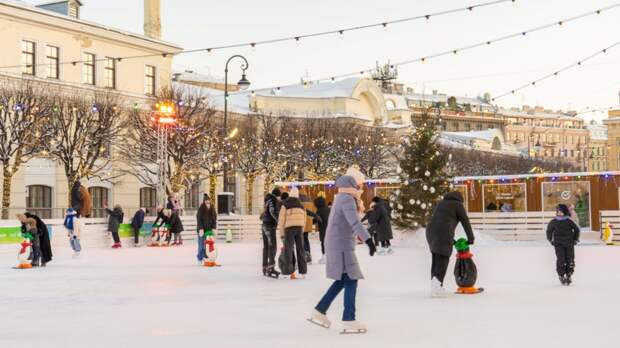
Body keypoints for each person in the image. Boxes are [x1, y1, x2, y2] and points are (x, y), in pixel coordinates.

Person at [310, 168, 376, 333]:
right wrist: (368, 239)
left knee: (343, 279)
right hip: (340, 245)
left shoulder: (343, 197)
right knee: (352, 277)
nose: (361, 187)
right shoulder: (347, 198)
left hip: (339, 243)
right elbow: (354, 222)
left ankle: (319, 310)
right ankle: (349, 318)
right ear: (353, 182)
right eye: (360, 183)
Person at [425, 191, 475, 297]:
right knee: (443, 257)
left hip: (430, 231)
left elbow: (441, 221)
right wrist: (470, 238)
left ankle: (436, 286)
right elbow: (465, 221)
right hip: (443, 231)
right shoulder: (458, 204)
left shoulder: (441, 203)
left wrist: (452, 241)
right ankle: (437, 287)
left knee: (436, 257)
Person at [277, 187, 308, 279]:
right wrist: (301, 230)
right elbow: (304, 220)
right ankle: (303, 272)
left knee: (288, 250)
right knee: (301, 249)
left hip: (289, 229)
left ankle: (288, 271)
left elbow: (281, 220)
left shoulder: (285, 205)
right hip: (299, 229)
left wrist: (282, 234)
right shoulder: (302, 206)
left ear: (290, 194)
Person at [546, 204, 580, 286]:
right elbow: (549, 231)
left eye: (561, 212)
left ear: (565, 212)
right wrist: (550, 240)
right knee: (561, 260)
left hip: (569, 243)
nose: (559, 213)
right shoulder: (554, 221)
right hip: (558, 244)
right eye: (558, 212)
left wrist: (575, 239)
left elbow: (577, 230)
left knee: (570, 259)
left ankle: (569, 274)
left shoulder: (569, 221)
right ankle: (561, 275)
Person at [261, 188, 281, 277]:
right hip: (270, 226)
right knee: (272, 247)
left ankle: (265, 267)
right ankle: (271, 268)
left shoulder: (267, 200)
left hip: (264, 225)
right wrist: (278, 220)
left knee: (266, 247)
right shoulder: (273, 199)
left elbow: (264, 213)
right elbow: (272, 211)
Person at [196, 194, 217, 265]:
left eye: (209, 202)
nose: (208, 203)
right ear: (204, 202)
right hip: (201, 230)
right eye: (206, 202)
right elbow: (199, 220)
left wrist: (214, 228)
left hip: (209, 231)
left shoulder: (213, 209)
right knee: (201, 246)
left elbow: (214, 220)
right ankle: (200, 258)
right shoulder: (201, 209)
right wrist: (200, 229)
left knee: (207, 246)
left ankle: (206, 257)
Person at [313, 196, 331, 264]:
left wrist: (310, 222)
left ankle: (325, 257)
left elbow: (316, 220)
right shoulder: (329, 209)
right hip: (331, 229)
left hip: (323, 229)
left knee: (323, 243)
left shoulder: (319, 211)